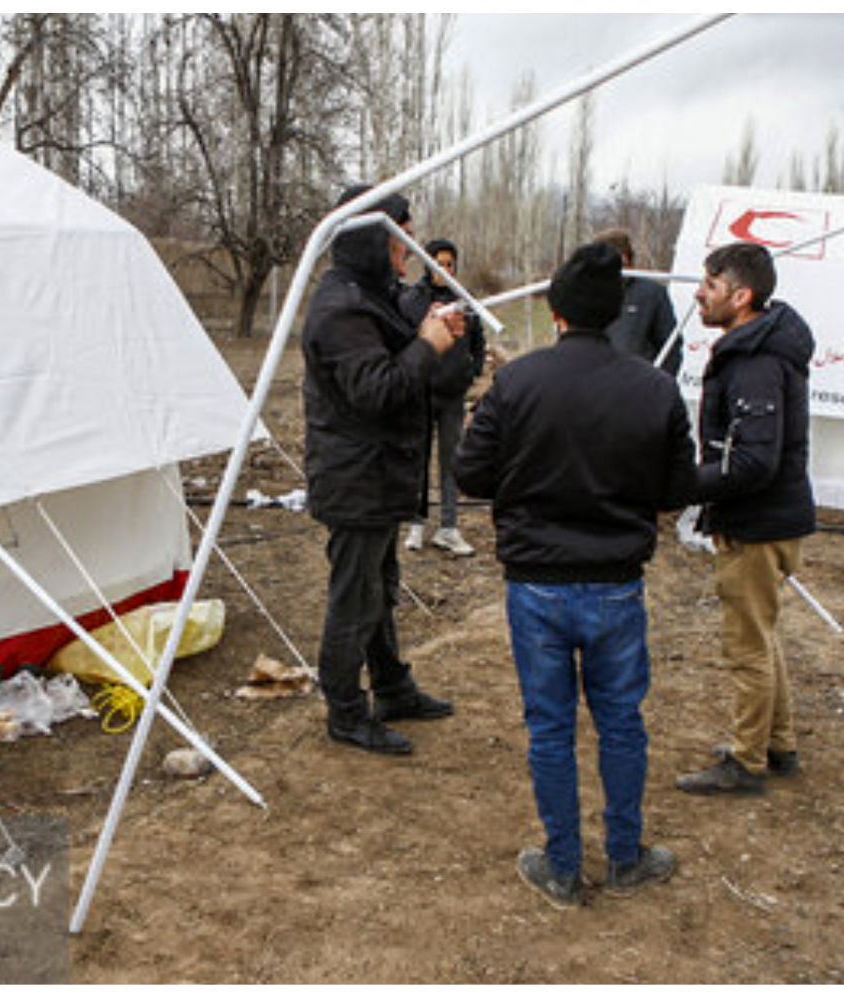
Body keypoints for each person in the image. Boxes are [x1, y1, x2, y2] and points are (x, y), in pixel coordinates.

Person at [455, 241, 698, 908]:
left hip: (536, 584)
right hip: (616, 582)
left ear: (557, 313)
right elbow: (680, 486)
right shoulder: (654, 387)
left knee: (552, 727)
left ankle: (564, 866)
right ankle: (623, 856)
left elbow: (470, 473)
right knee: (621, 721)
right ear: (618, 311)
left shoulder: (517, 383)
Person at [303, 184, 465, 755]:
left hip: (376, 475)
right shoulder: (339, 306)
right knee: (355, 596)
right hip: (354, 478)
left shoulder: (370, 294)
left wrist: (433, 328)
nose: (410, 248)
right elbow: (376, 389)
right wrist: (426, 344)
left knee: (381, 586)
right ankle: (346, 711)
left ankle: (392, 687)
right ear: (374, 237)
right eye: (403, 235)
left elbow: (398, 353)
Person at [674, 241, 816, 798]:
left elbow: (755, 461)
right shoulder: (757, 348)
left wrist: (682, 485)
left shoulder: (756, 362)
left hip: (758, 524)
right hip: (770, 518)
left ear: (741, 295)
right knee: (763, 635)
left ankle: (747, 760)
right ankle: (775, 744)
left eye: (709, 285)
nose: (698, 294)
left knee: (747, 646)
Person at [398, 237, 485, 558]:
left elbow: (477, 339)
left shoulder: (464, 300)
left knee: (451, 461)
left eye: (450, 265)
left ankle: (449, 527)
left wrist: (471, 369)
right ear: (428, 265)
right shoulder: (412, 300)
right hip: (420, 394)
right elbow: (404, 341)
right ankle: (416, 522)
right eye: (439, 264)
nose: (445, 270)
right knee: (417, 458)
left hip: (452, 395)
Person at [591, 228, 681, 378]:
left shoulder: (652, 293)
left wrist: (659, 387)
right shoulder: (586, 293)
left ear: (625, 258)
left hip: (639, 387)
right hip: (592, 387)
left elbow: (670, 347)